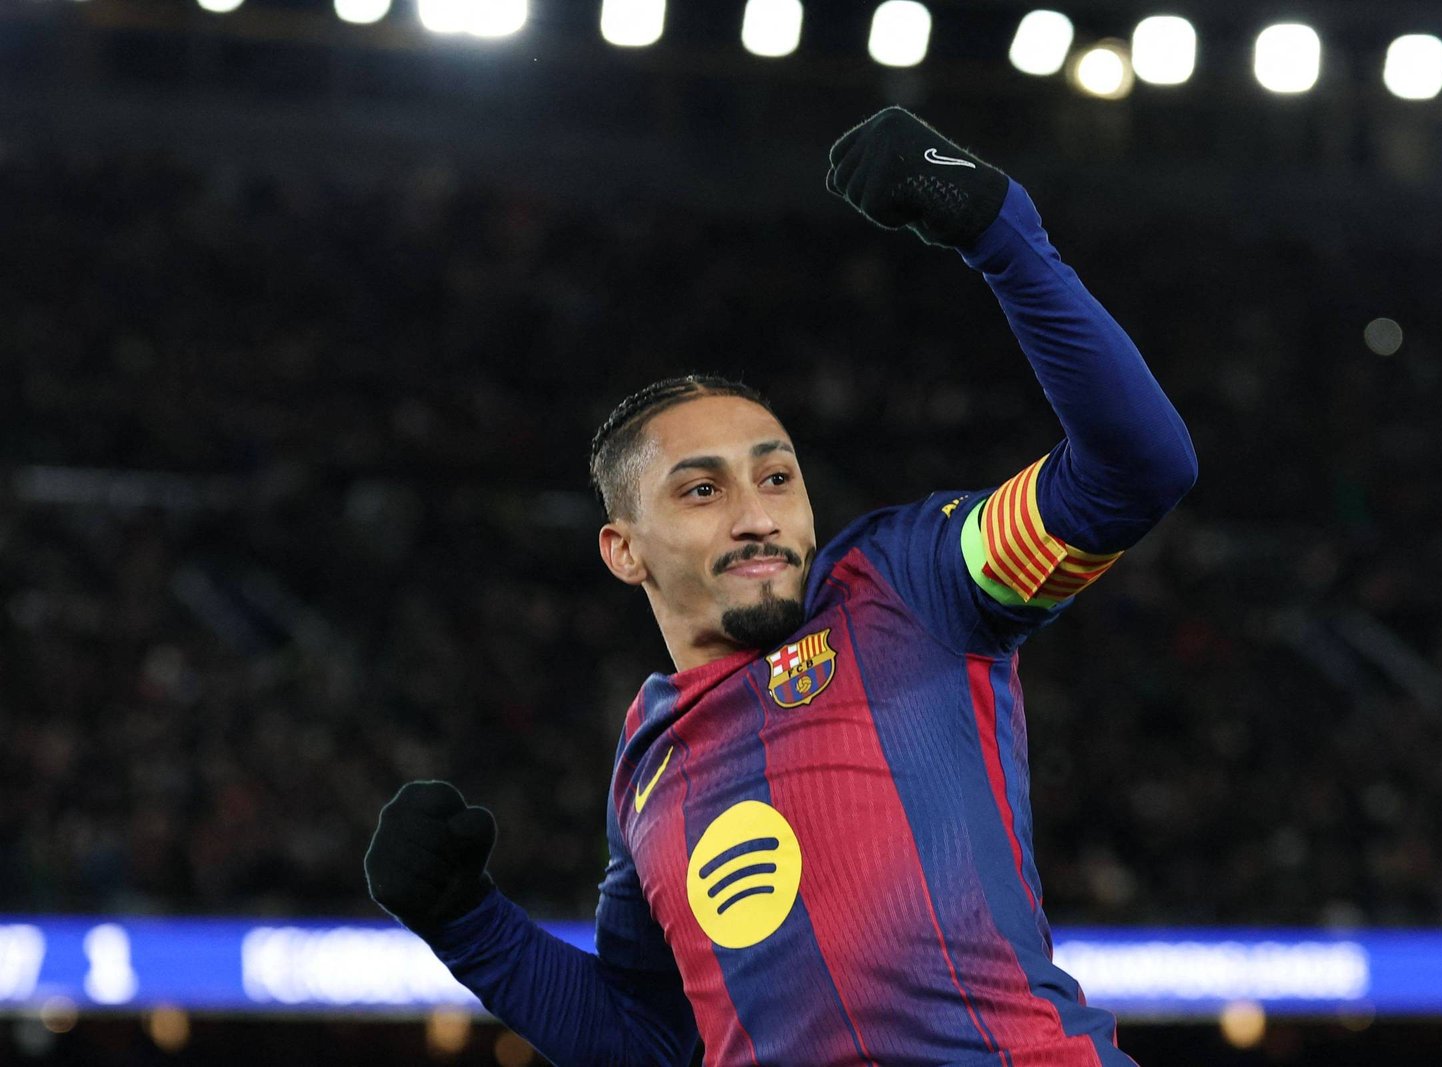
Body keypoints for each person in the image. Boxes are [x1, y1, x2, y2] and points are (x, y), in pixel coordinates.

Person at [364, 107, 1197, 1066]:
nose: (757, 515)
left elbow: (1135, 471)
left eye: (776, 477)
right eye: (703, 490)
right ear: (623, 550)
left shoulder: (909, 582)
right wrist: (469, 924)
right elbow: (650, 1041)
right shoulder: (646, 767)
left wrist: (1001, 232)